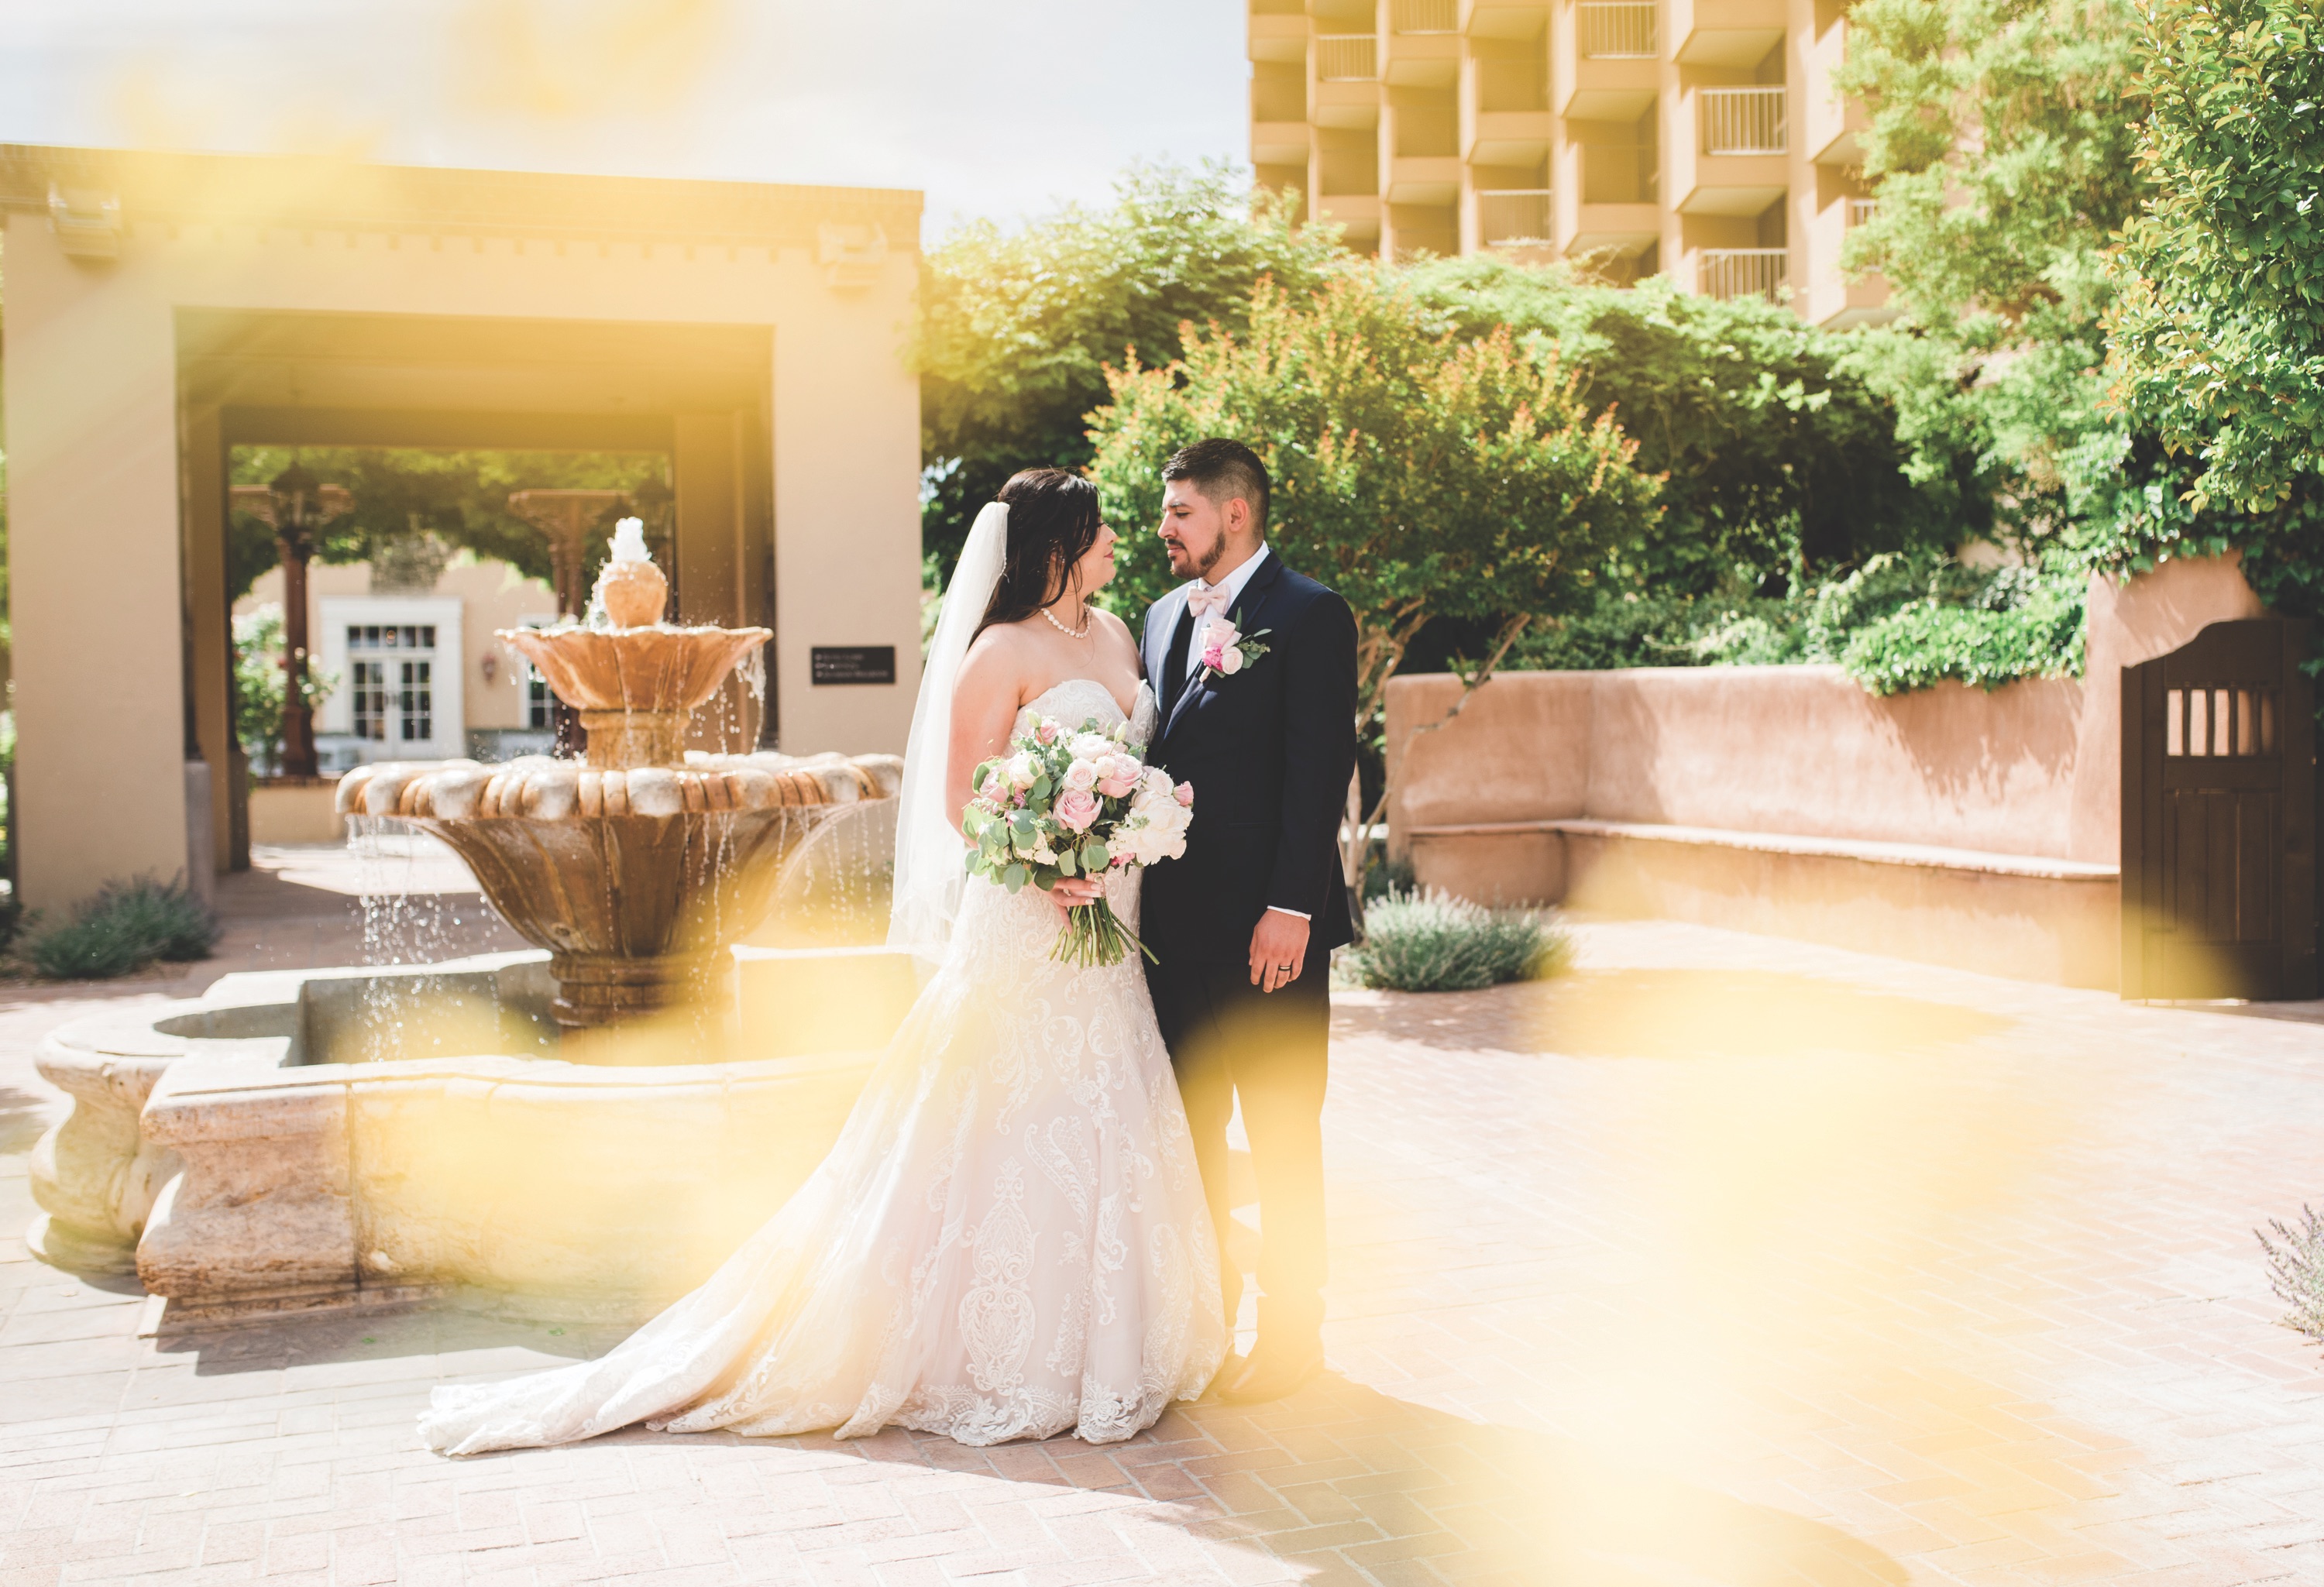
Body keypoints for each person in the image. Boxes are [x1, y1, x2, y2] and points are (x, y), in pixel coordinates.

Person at [418, 469, 1224, 1455]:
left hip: (1112, 937)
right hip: (1029, 926)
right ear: (1059, 546)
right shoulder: (995, 653)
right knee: (1000, 1126)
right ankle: (994, 1352)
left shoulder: (1112, 638)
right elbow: (960, 805)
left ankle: (1118, 1344)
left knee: (1104, 1111)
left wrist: (1128, 831)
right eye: (1099, 532)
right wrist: (1050, 866)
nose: (1116, 544)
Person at [1138, 439, 1359, 1405]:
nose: (1164, 529)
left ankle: (1296, 1334)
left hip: (1273, 935)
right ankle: (1208, 1323)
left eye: (1180, 511)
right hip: (1168, 938)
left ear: (1235, 513)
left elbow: (1321, 773)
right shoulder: (1154, 620)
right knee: (1189, 1138)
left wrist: (1291, 908)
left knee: (1279, 1134)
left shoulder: (1310, 615)